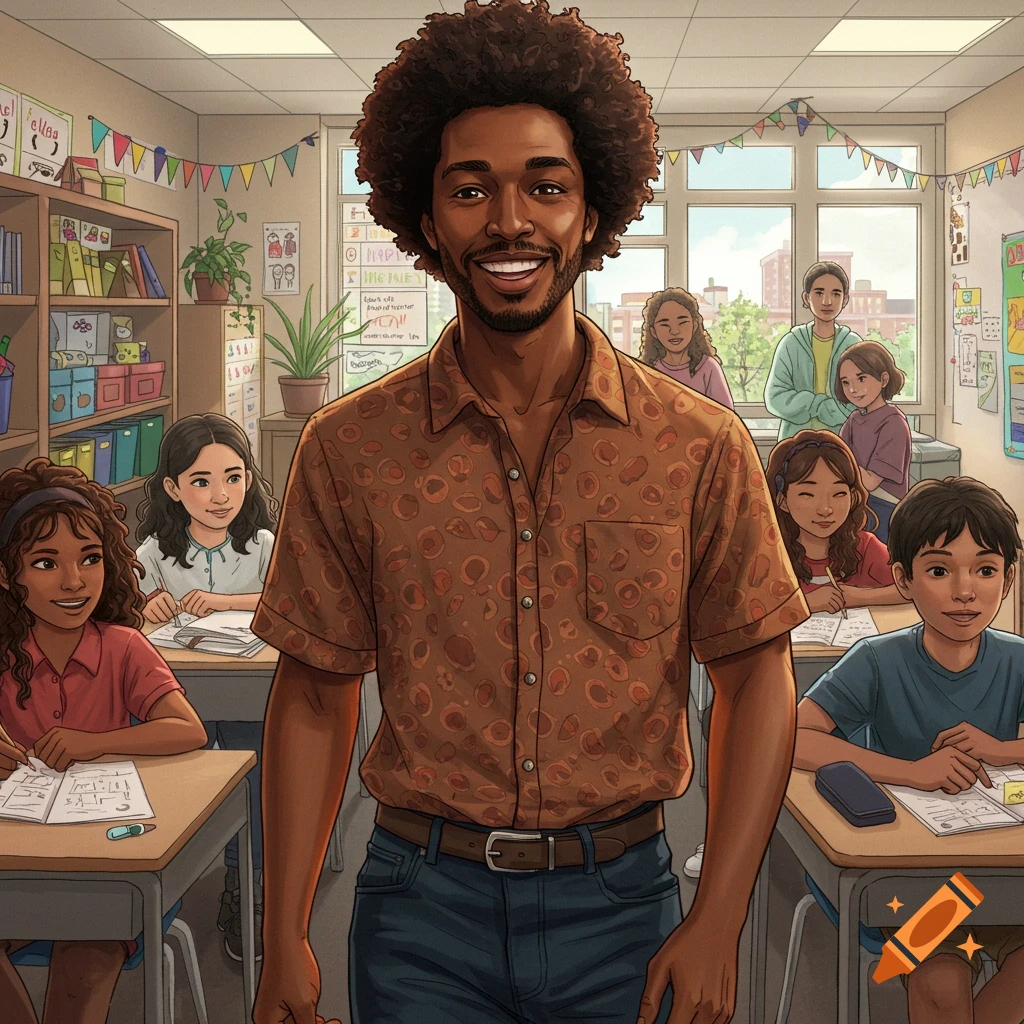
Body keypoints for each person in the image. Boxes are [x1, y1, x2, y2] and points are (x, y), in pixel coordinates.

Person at [251, 4, 811, 1024]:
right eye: (470, 189)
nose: (508, 220)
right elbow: (311, 691)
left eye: (544, 187)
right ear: (425, 221)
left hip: (624, 903)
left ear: (592, 213)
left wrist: (719, 913)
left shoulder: (698, 445)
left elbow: (754, 676)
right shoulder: (347, 449)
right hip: (417, 907)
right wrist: (286, 925)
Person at [794, 476, 1024, 1024]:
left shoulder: (1016, 658)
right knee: (941, 983)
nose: (964, 591)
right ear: (903, 578)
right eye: (940, 571)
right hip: (918, 888)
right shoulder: (878, 659)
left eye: (985, 570)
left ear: (1008, 579)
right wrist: (912, 772)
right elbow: (795, 736)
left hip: (1005, 879)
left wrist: (1002, 748)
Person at [0, 458, 207, 1024]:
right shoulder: (6, 654)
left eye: (89, 559)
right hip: (16, 867)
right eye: (46, 564)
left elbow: (187, 729)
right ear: (7, 576)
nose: (74, 582)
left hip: (113, 869)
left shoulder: (122, 647)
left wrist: (94, 744)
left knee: (85, 958)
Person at [134, 413, 276, 962]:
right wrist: (149, 608)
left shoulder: (262, 544)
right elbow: (130, 620)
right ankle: (162, 869)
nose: (221, 496)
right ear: (172, 488)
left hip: (250, 685)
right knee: (179, 761)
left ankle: (246, 880)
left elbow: (282, 600)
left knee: (253, 761)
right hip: (178, 688)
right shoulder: (154, 554)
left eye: (233, 478)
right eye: (201, 481)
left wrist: (223, 602)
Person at [767, 430, 906, 612]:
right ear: (782, 501)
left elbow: (911, 588)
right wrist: (804, 603)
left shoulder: (864, 547)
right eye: (807, 494)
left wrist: (858, 597)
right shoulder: (770, 554)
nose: (826, 509)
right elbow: (741, 610)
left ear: (853, 497)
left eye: (839, 493)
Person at [765, 260, 862, 440]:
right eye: (819, 293)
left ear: (845, 299)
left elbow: (865, 396)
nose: (827, 301)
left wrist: (824, 409)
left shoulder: (853, 344)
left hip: (844, 443)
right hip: (796, 443)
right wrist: (818, 405)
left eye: (836, 293)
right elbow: (775, 397)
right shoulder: (791, 343)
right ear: (806, 298)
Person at [836, 340, 912, 544]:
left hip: (884, 507)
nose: (853, 389)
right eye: (846, 382)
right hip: (858, 500)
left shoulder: (894, 422)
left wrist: (842, 464)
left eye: (861, 379)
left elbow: (869, 482)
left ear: (884, 379)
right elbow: (837, 459)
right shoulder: (854, 419)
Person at [639, 286, 735, 409]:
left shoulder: (708, 367)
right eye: (664, 324)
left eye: (682, 322)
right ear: (653, 332)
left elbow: (726, 417)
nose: (674, 331)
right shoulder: (648, 370)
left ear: (694, 325)